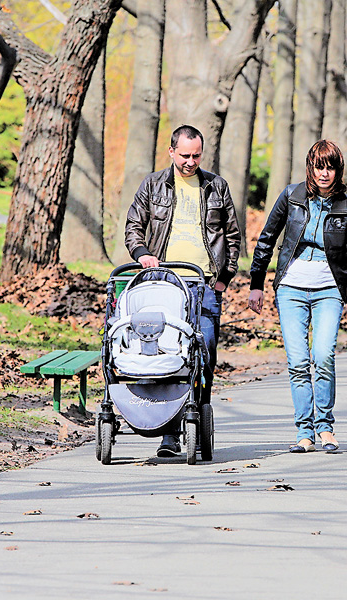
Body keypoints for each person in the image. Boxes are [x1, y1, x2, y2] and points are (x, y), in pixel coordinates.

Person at [248, 140, 347, 453]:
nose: (324, 173)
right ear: (310, 167)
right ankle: (304, 432)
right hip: (291, 287)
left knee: (323, 356)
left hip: (329, 289)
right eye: (319, 166)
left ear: (338, 170)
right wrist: (256, 283)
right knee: (299, 361)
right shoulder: (292, 196)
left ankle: (325, 428)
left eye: (330, 167)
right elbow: (267, 238)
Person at [124, 124, 241, 457]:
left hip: (203, 285)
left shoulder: (216, 186)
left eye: (197, 155)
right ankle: (170, 435)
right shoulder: (152, 185)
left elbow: (232, 236)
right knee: (168, 357)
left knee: (204, 357)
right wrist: (143, 254)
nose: (191, 162)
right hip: (163, 284)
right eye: (185, 155)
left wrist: (223, 278)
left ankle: (196, 420)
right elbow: (133, 226)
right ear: (171, 151)